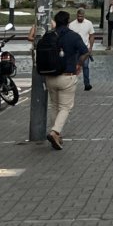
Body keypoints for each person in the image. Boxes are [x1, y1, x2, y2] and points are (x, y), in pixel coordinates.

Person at [35, 9, 88, 149]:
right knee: (65, 107)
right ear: (68, 21)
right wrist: (79, 64)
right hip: (67, 77)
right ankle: (55, 132)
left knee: (54, 106)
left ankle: (57, 136)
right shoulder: (73, 36)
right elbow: (85, 52)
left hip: (50, 76)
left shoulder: (48, 35)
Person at [70, 6, 96, 90]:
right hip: (75, 49)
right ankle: (71, 83)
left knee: (85, 66)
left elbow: (91, 36)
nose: (79, 18)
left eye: (81, 16)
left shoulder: (89, 23)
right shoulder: (72, 25)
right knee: (73, 66)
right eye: (78, 16)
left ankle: (87, 84)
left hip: (85, 48)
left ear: (84, 16)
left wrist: (90, 47)